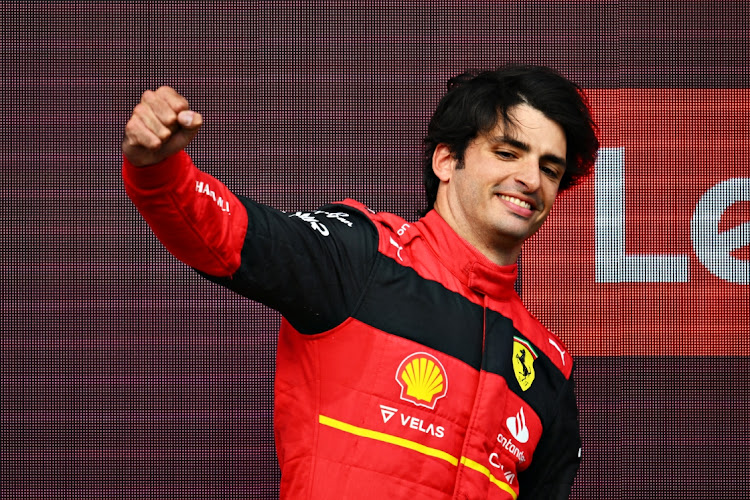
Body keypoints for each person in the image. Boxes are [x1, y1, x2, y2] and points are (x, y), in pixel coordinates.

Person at [122, 64, 599, 499]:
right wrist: (159, 170)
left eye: (548, 168)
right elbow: (227, 234)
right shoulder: (363, 256)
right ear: (446, 160)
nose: (530, 179)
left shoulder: (548, 364)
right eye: (507, 152)